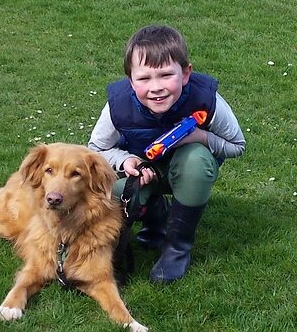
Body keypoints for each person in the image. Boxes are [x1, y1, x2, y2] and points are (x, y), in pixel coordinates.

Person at [88, 25, 245, 283]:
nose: (156, 87)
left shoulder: (206, 98)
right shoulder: (118, 105)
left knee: (196, 161)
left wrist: (201, 137)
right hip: (141, 171)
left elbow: (238, 145)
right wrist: (126, 160)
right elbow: (94, 150)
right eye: (144, 78)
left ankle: (176, 249)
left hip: (185, 169)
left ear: (185, 74)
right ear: (130, 80)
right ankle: (155, 218)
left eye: (165, 75)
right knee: (110, 193)